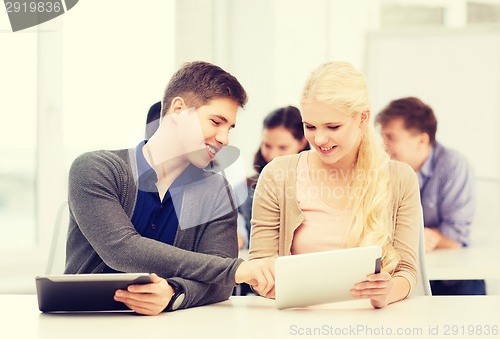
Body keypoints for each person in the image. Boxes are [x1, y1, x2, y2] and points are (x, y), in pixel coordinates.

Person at [65, 61, 274, 316]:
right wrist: (235, 269)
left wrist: (174, 293)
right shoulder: (97, 169)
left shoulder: (216, 190)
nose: (224, 138)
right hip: (84, 321)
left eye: (229, 127)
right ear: (178, 110)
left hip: (170, 327)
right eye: (216, 122)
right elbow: (121, 249)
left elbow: (221, 285)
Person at [249, 61, 422, 308]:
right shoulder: (277, 175)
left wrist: (388, 291)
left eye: (333, 127)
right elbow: (260, 265)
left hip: (372, 321)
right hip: (298, 321)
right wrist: (269, 283)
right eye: (310, 126)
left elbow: (407, 271)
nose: (319, 139)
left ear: (363, 117)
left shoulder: (400, 179)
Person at [375, 97, 485, 295]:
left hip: (454, 282)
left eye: (390, 137)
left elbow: (455, 237)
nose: (383, 146)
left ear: (422, 140)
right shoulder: (385, 169)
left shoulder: (453, 165)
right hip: (406, 275)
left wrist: (414, 237)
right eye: (383, 137)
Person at [237, 106, 309, 249]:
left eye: (282, 147)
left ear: (302, 142)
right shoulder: (245, 188)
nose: (273, 155)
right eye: (267, 145)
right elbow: (242, 237)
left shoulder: (318, 184)